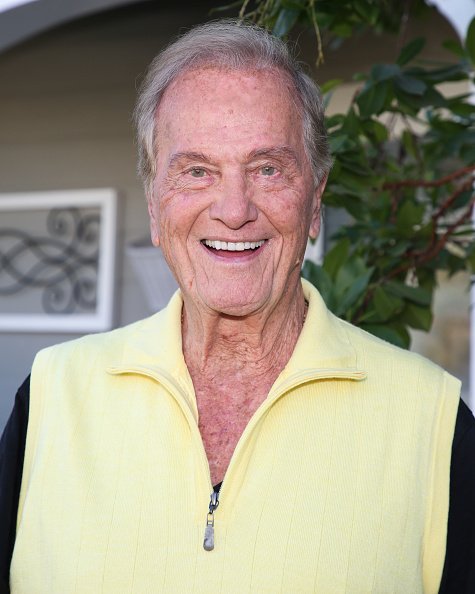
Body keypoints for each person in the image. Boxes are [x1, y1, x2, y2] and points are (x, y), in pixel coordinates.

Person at [0, 20, 474, 594]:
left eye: (267, 169)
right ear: (154, 205)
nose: (233, 209)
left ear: (315, 200)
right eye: (196, 171)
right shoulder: (51, 397)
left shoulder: (434, 421)